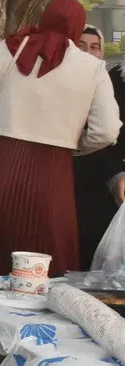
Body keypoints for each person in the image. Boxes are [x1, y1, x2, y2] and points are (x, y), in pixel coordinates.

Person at [0, 0, 121, 279]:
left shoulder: (4, 50)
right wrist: (74, 146)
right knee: (45, 263)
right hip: (51, 173)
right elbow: (106, 130)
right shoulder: (91, 67)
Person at [72, 25, 125, 267]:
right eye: (81, 45)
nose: (88, 52)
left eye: (95, 47)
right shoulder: (113, 81)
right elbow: (99, 136)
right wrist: (116, 176)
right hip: (97, 182)